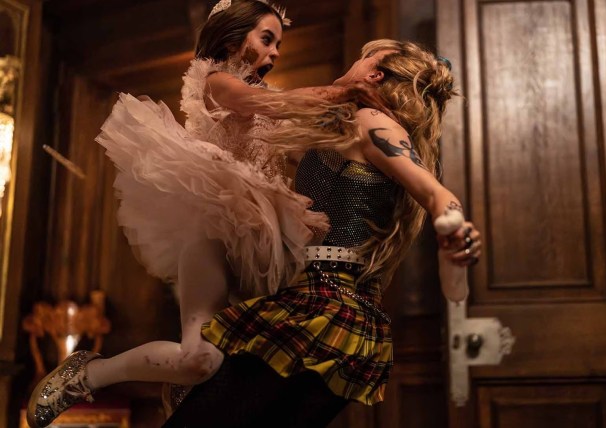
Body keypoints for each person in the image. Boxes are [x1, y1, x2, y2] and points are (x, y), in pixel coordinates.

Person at [26, 1, 388, 427]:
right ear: (233, 38)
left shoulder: (270, 98)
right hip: (213, 223)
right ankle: (89, 372)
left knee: (233, 359)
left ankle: (188, 391)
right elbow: (262, 103)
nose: (275, 52)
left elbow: (293, 139)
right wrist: (343, 91)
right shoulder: (216, 82)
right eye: (266, 39)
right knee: (198, 360)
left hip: (262, 239)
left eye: (278, 44)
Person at [162, 39, 481, 427]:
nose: (355, 61)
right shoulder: (345, 134)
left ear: (373, 75)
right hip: (346, 323)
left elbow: (436, 194)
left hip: (320, 312)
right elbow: (455, 291)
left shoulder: (372, 122)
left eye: (364, 57)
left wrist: (453, 226)